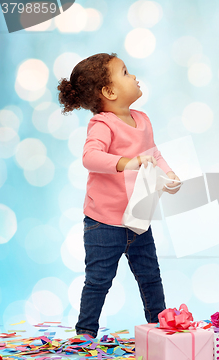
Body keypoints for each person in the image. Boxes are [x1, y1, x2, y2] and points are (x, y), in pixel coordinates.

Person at [57, 52, 180, 338]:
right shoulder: (103, 124)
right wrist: (125, 162)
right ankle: (85, 333)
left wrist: (169, 175)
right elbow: (90, 157)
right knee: (99, 280)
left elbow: (154, 154)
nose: (134, 76)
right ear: (109, 91)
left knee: (151, 277)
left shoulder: (143, 120)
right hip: (104, 222)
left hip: (138, 218)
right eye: (125, 72)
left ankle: (160, 329)